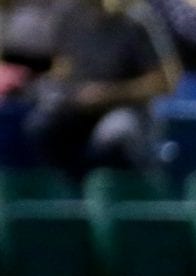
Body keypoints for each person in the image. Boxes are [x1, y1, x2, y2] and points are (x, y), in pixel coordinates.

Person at [24, 0, 171, 173]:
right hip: (79, 106)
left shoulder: (137, 18)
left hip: (127, 108)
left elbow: (164, 82)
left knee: (114, 135)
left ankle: (112, 193)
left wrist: (110, 94)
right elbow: (62, 68)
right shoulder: (69, 16)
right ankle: (68, 191)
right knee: (41, 126)